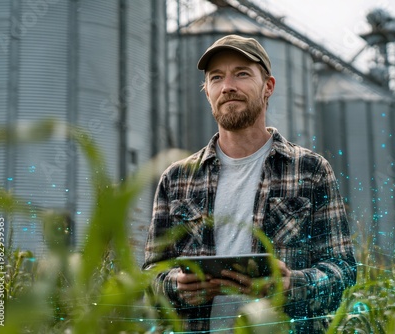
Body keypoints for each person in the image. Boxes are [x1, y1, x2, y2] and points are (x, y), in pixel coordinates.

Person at [143, 34, 357, 333]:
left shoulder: (310, 170)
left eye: (241, 74)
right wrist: (176, 286)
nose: (228, 86)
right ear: (207, 92)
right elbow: (152, 274)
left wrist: (290, 284)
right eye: (216, 78)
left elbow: (343, 271)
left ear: (267, 86)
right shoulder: (177, 178)